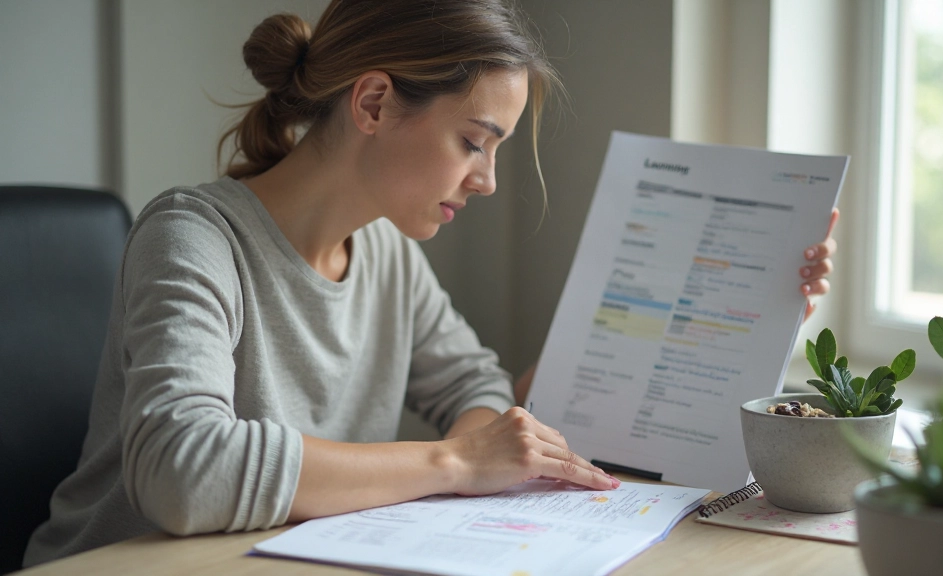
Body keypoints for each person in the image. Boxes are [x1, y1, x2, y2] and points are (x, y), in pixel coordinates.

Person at [23, 0, 838, 567]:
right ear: (374, 102)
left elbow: (477, 391)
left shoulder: (386, 255)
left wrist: (754, 307)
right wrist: (453, 462)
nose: (486, 180)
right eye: (473, 142)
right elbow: (183, 471)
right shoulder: (193, 238)